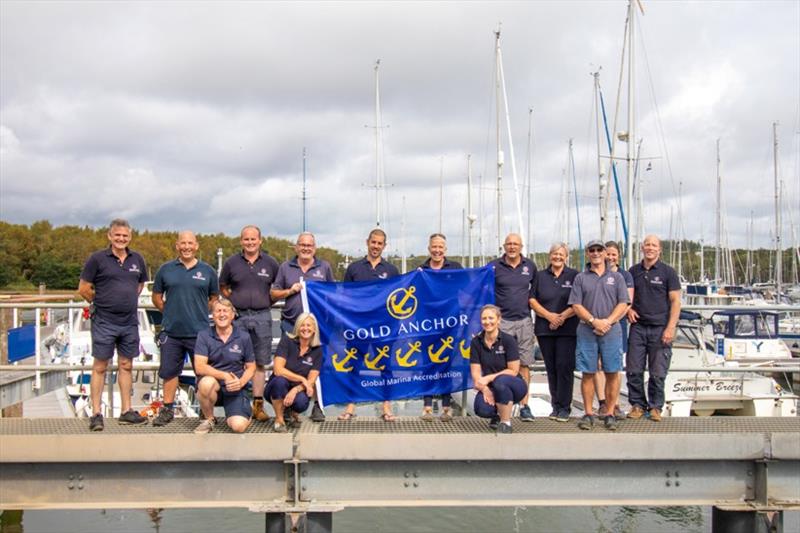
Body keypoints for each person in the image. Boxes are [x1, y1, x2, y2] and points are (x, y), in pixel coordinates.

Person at [77, 219, 149, 431]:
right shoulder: (97, 259)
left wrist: (124, 300)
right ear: (110, 236)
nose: (121, 239)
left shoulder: (137, 259)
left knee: (126, 365)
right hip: (104, 321)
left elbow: (139, 284)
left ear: (130, 237)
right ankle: (96, 413)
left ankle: (126, 411)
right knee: (100, 366)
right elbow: (83, 288)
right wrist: (100, 302)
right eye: (117, 235)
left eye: (125, 236)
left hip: (129, 321)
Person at [151, 231, 219, 427]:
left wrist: (199, 311)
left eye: (190, 243)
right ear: (177, 246)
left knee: (203, 374)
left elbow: (213, 297)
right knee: (170, 372)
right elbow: (157, 297)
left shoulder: (208, 271)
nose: (187, 247)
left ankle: (206, 413)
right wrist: (170, 311)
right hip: (171, 331)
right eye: (183, 243)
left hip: (200, 332)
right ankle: (167, 409)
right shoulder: (165, 270)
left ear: (196, 245)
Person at [270, 232, 333, 422]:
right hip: (291, 325)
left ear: (314, 247)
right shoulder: (285, 267)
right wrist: (291, 290)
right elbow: (273, 294)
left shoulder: (324, 267)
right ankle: (289, 407)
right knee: (290, 366)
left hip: (316, 328)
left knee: (319, 367)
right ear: (296, 247)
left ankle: (318, 405)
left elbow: (333, 294)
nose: (306, 248)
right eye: (302, 245)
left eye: (309, 245)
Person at [219, 225, 279, 423]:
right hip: (239, 317)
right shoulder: (231, 263)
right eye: (246, 239)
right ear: (241, 241)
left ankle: (258, 406)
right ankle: (239, 404)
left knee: (261, 362)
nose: (250, 243)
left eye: (254, 239)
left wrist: (263, 303)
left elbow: (275, 290)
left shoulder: (271, 263)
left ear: (260, 240)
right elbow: (223, 288)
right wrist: (237, 301)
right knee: (237, 360)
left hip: (262, 316)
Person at [568, 240, 630, 431]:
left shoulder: (617, 277)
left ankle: (610, 412)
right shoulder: (581, 278)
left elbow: (624, 303)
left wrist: (608, 321)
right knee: (588, 372)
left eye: (599, 250)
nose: (596, 253)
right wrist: (594, 321)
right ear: (588, 253)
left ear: (605, 253)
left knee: (613, 372)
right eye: (592, 250)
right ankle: (588, 413)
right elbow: (576, 305)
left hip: (612, 330)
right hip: (587, 330)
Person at [339, 228, 400, 422]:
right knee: (354, 366)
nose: (376, 246)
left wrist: (394, 325)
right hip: (358, 326)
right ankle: (351, 405)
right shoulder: (354, 269)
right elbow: (345, 297)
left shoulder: (391, 270)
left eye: (380, 243)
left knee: (386, 367)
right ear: (367, 242)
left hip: (383, 327)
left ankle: (386, 406)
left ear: (384, 246)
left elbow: (397, 300)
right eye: (373, 242)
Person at [626, 235, 681, 422]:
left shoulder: (668, 272)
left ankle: (656, 407)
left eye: (654, 245)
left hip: (660, 328)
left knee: (658, 372)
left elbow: (675, 301)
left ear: (659, 249)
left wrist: (670, 327)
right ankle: (637, 405)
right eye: (647, 244)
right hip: (638, 327)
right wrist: (629, 309)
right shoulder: (633, 271)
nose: (650, 248)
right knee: (634, 369)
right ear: (642, 248)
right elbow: (625, 297)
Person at [489, 233, 537, 421]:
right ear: (503, 246)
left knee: (524, 364)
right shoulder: (494, 266)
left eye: (515, 244)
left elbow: (534, 293)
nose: (512, 247)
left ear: (521, 246)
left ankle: (525, 405)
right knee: (500, 364)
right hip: (503, 322)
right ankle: (499, 407)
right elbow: (480, 286)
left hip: (524, 320)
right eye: (509, 244)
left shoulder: (530, 266)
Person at [529, 243, 578, 422]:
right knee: (551, 369)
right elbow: (532, 300)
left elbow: (578, 301)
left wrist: (561, 317)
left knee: (565, 367)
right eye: (554, 254)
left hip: (568, 329)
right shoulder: (540, 276)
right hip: (545, 329)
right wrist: (550, 316)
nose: (557, 257)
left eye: (561, 254)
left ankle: (565, 407)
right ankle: (555, 406)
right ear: (550, 255)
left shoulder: (574, 276)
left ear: (566, 256)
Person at [193, 298, 255, 434]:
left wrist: (241, 382)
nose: (222, 314)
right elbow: (200, 367)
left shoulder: (243, 337)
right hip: (214, 386)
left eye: (226, 311)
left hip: (235, 388)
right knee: (205, 383)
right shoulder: (204, 336)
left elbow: (251, 367)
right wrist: (224, 376)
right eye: (218, 311)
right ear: (213, 315)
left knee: (238, 427)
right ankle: (209, 418)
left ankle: (242, 413)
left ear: (233, 315)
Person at [418, 233, 462, 422]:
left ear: (445, 249)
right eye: (434, 247)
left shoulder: (456, 268)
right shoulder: (420, 270)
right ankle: (427, 406)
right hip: (426, 325)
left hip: (449, 324)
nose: (437, 250)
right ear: (429, 249)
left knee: (447, 365)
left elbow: (469, 288)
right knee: (427, 365)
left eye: (440, 247)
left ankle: (446, 407)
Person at [469, 304, 528, 434]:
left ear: (499, 320)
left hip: (514, 384)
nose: (487, 322)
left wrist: (488, 378)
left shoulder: (508, 340)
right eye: (484, 319)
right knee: (482, 410)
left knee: (500, 382)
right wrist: (485, 389)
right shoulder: (476, 342)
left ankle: (505, 422)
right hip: (491, 386)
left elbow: (513, 370)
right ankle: (496, 414)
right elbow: (476, 373)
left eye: (491, 318)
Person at [593, 241, 634, 419]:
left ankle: (614, 404)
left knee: (613, 366)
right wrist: (598, 323)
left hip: (616, 326)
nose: (610, 257)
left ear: (619, 256)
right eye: (607, 253)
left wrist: (609, 322)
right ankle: (602, 403)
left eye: (613, 254)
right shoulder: (592, 274)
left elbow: (627, 302)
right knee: (597, 365)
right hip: (595, 326)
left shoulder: (625, 275)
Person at [264, 312, 323, 432]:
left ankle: (291, 412)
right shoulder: (287, 341)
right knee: (279, 382)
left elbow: (311, 380)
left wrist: (295, 390)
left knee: (301, 403)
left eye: (309, 325)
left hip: (298, 389)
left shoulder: (318, 350)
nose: (305, 328)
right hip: (277, 387)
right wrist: (302, 379)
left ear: (314, 329)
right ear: (297, 327)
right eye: (302, 325)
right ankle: (279, 420)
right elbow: (278, 370)